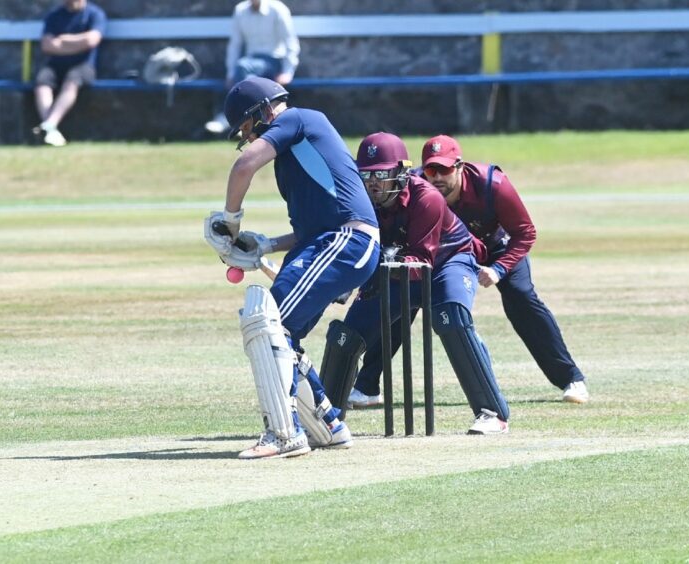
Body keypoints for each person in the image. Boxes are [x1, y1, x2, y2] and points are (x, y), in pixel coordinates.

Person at [204, 76, 380, 459]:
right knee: (280, 333)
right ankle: (328, 425)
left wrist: (230, 221)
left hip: (346, 241)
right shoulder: (295, 157)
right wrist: (264, 244)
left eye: (249, 128)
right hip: (330, 242)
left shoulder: (299, 119)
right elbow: (307, 232)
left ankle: (285, 434)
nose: (249, 138)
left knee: (267, 324)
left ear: (264, 110)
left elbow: (243, 167)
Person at [353, 134, 589, 405]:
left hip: (497, 248)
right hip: (447, 253)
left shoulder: (494, 185)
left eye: (444, 169)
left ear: (460, 167)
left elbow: (525, 232)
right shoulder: (415, 188)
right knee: (401, 299)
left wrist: (499, 269)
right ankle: (367, 386)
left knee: (521, 297)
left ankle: (571, 378)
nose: (437, 177)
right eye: (430, 169)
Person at [318, 132, 511, 435]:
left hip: (448, 261)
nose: (373, 183)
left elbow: (421, 261)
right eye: (367, 175)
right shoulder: (358, 201)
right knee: (347, 332)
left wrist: (374, 265)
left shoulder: (427, 198)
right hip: (395, 268)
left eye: (382, 175)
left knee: (452, 317)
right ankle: (325, 419)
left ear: (401, 173)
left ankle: (492, 413)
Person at [205, 0, 300, 135]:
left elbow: (290, 41)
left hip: (273, 61)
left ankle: (232, 118)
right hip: (250, 63)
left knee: (243, 68)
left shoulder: (278, 9)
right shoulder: (240, 10)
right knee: (248, 78)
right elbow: (235, 44)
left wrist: (287, 71)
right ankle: (248, 124)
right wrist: (231, 73)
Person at [33, 0, 106, 147]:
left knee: (72, 81)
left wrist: (63, 41)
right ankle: (50, 127)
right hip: (56, 65)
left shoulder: (94, 14)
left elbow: (91, 40)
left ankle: (49, 124)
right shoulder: (54, 16)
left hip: (84, 66)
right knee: (42, 82)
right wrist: (77, 44)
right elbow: (47, 45)